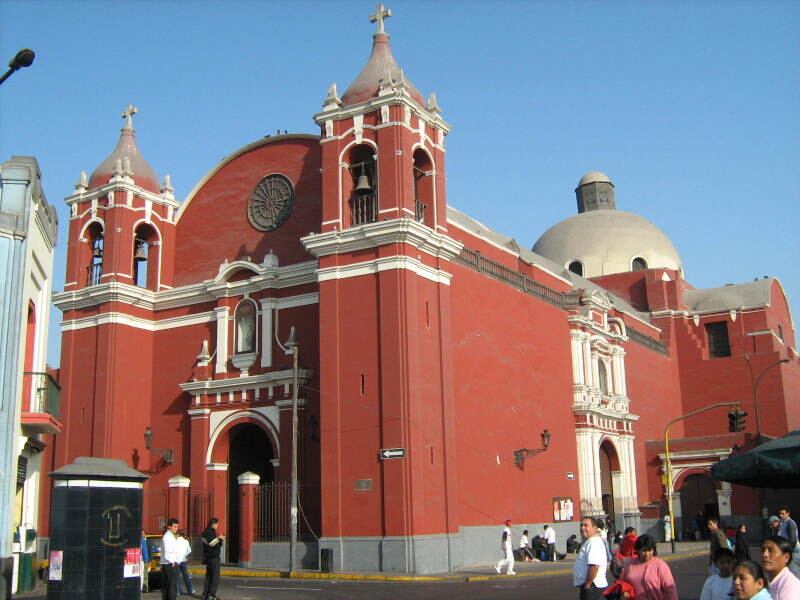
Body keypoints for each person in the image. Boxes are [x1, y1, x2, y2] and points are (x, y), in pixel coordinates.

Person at [618, 534, 678, 600]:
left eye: (650, 550)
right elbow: (622, 583)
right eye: (643, 550)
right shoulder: (629, 565)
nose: (647, 554)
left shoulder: (660, 565)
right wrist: (624, 592)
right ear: (637, 550)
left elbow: (670, 590)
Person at [572, 516, 608, 599]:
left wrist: (588, 584)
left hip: (593, 587)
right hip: (592, 587)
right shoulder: (591, 541)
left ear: (595, 528)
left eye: (586, 525)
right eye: (581, 525)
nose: (582, 528)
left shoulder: (593, 542)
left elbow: (594, 566)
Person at [761, 536, 800, 600]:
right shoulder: (763, 580)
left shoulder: (792, 588)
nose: (765, 554)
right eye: (763, 550)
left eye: (770, 551)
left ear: (786, 557)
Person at [201, 517, 225, 600]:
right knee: (215, 577)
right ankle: (211, 595)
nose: (217, 526)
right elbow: (215, 545)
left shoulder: (205, 532)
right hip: (213, 557)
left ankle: (205, 594)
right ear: (214, 524)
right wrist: (221, 539)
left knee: (209, 576)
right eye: (217, 524)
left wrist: (217, 539)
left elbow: (209, 543)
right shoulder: (210, 532)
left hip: (208, 557)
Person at [161, 518, 181, 600]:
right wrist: (172, 561)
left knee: (168, 586)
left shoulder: (171, 536)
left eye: (177, 527)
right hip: (170, 563)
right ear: (169, 527)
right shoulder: (168, 537)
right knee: (171, 587)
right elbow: (168, 551)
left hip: (169, 563)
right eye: (174, 526)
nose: (176, 528)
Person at [777, 506, 800, 576]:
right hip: (788, 551)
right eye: (780, 514)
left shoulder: (790, 523)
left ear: (788, 514)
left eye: (783, 513)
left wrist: (788, 551)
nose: (781, 515)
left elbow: (793, 539)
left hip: (793, 551)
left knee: (794, 573)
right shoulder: (783, 523)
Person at [175, 529, 196, 597]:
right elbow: (189, 551)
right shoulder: (186, 541)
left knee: (176, 577)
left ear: (178, 534)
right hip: (183, 560)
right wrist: (184, 555)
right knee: (186, 576)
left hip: (177, 561)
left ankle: (177, 591)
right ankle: (190, 590)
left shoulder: (175, 541)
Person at [140, 529, 151, 593]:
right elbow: (145, 551)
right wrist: (146, 560)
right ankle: (141, 588)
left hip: (137, 560)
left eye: (143, 533)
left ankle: (143, 588)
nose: (142, 534)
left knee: (143, 575)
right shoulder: (143, 540)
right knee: (142, 574)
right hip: (141, 560)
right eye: (141, 533)